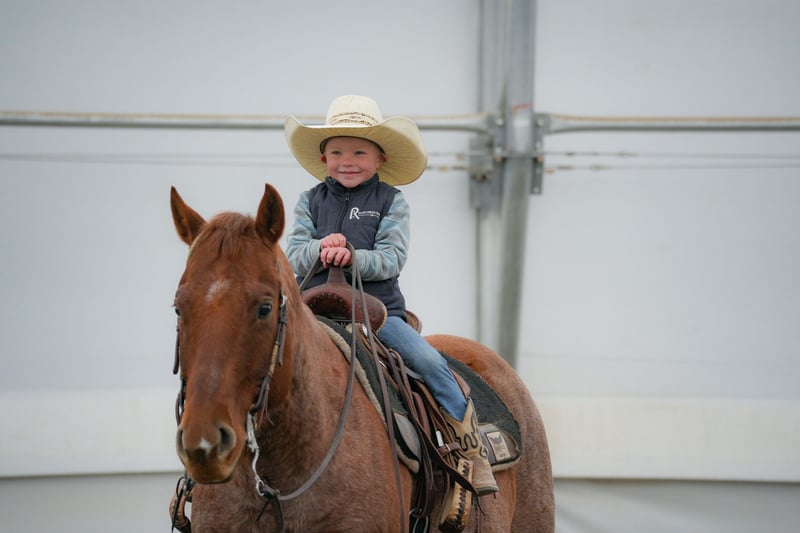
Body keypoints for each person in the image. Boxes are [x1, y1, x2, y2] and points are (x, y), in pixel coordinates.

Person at [284, 95, 498, 495]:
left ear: (379, 158)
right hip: (312, 312)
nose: (347, 161)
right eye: (337, 152)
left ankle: (471, 449)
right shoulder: (309, 201)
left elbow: (392, 258)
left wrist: (352, 256)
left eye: (359, 152)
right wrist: (319, 248)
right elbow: (294, 253)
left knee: (430, 363)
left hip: (377, 314)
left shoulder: (391, 201)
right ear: (324, 157)